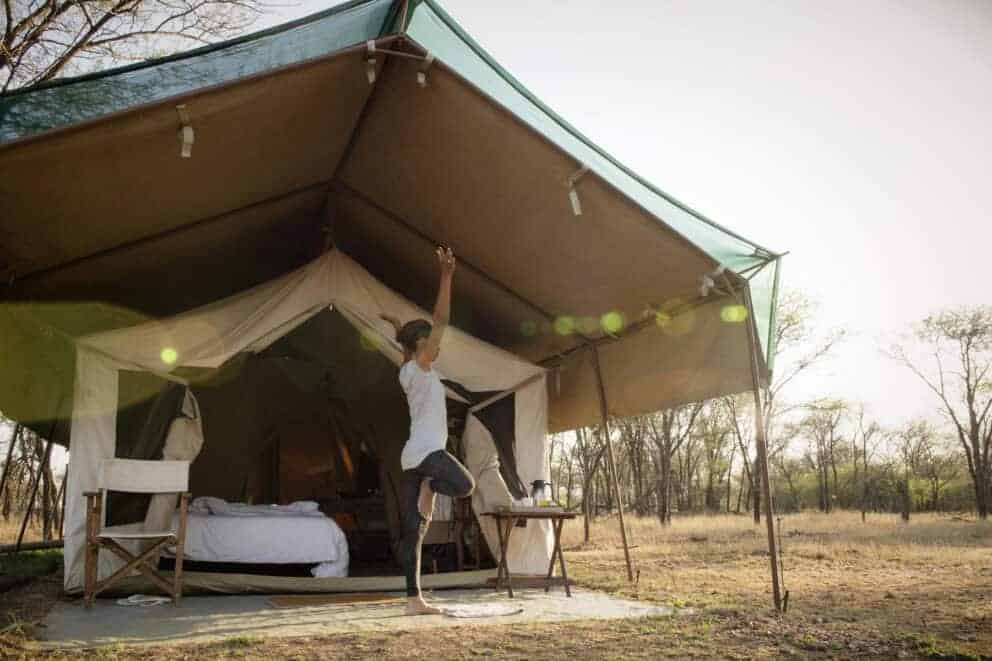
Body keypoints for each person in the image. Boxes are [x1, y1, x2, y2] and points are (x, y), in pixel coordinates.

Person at [382, 246, 476, 616]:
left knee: (415, 532)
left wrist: (398, 330)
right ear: (421, 345)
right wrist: (447, 276)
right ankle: (431, 485)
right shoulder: (420, 368)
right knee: (465, 486)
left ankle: (413, 600)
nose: (437, 348)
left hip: (412, 457)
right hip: (427, 453)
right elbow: (441, 320)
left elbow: (409, 346)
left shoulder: (409, 371)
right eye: (431, 343)